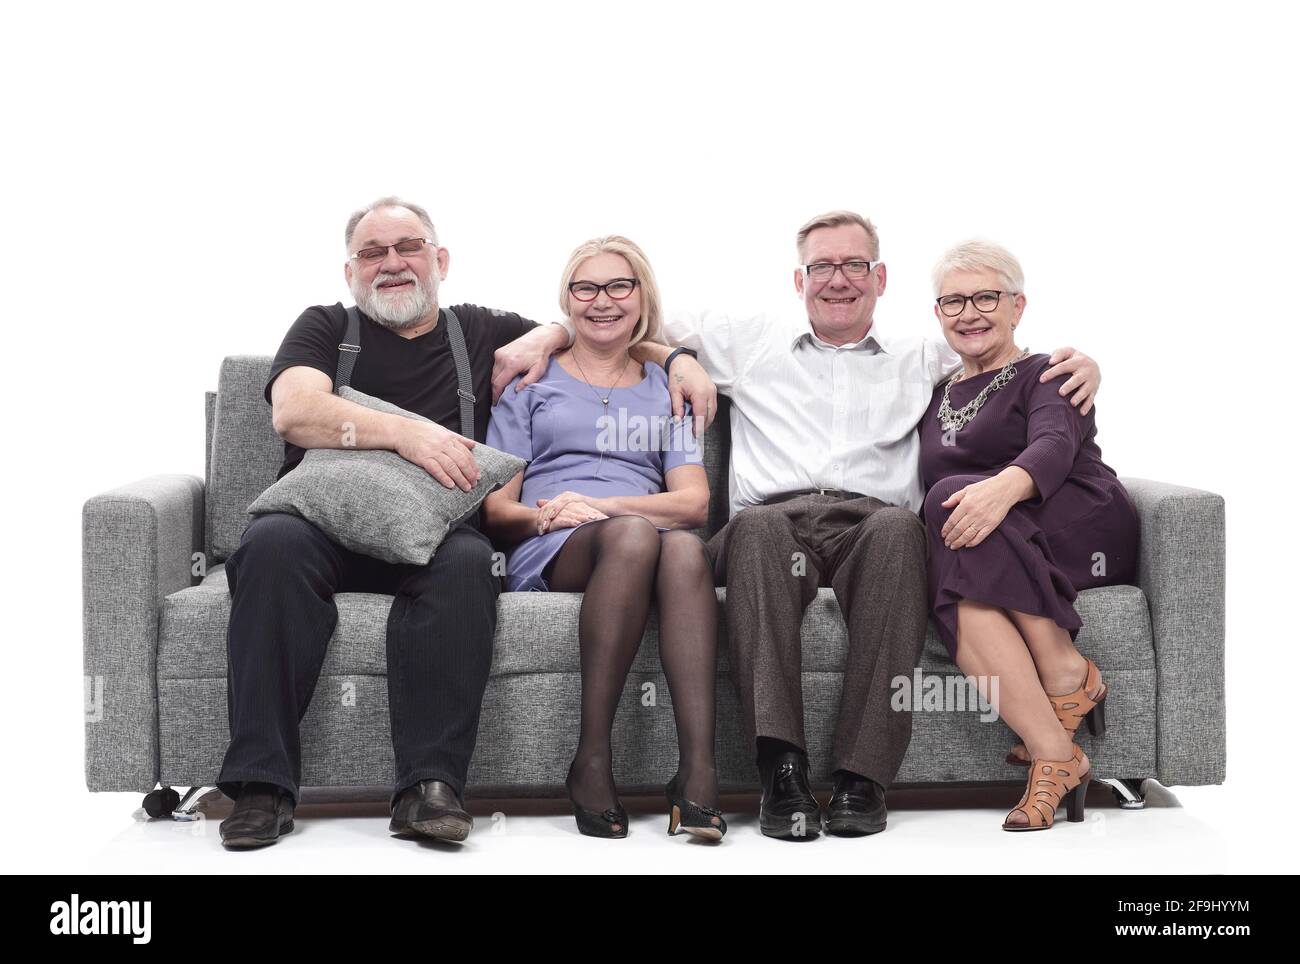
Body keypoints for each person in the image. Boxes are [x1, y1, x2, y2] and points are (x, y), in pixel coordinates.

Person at [216, 199, 715, 850]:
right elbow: (295, 412)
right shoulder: (322, 327)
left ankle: (431, 787)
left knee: (466, 566)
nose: (392, 263)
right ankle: (261, 786)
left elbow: (596, 327)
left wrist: (676, 359)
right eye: (373, 253)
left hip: (436, 522)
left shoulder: (480, 332)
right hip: (323, 519)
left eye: (409, 247)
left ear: (439, 261)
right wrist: (406, 436)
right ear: (350, 271)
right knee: (268, 546)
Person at [598, 210, 1105, 840]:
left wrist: (1085, 363)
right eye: (823, 267)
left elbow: (1002, 347)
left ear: (880, 277)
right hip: (770, 521)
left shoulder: (928, 355)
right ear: (800, 279)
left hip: (871, 525)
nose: (838, 280)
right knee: (756, 533)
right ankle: (781, 772)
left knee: (900, 533)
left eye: (854, 265)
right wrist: (676, 358)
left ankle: (863, 778)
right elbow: (622, 322)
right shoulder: (748, 341)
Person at [483, 236, 724, 840]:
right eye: (585, 288)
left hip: (633, 528)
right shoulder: (529, 384)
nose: (602, 301)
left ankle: (697, 772)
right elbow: (494, 508)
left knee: (679, 547)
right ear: (565, 300)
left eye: (619, 285)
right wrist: (546, 517)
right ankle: (592, 757)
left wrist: (603, 505)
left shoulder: (666, 388)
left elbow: (694, 502)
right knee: (639, 538)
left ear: (642, 296)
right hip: (554, 539)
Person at [918, 239, 1138, 831]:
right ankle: (1056, 750)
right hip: (991, 537)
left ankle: (1067, 671)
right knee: (954, 587)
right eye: (953, 302)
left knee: (950, 503)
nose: (969, 313)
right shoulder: (935, 392)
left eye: (986, 297)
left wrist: (999, 490)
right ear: (937, 314)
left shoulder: (1049, 371)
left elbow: (1055, 445)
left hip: (1077, 517)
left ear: (1018, 305)